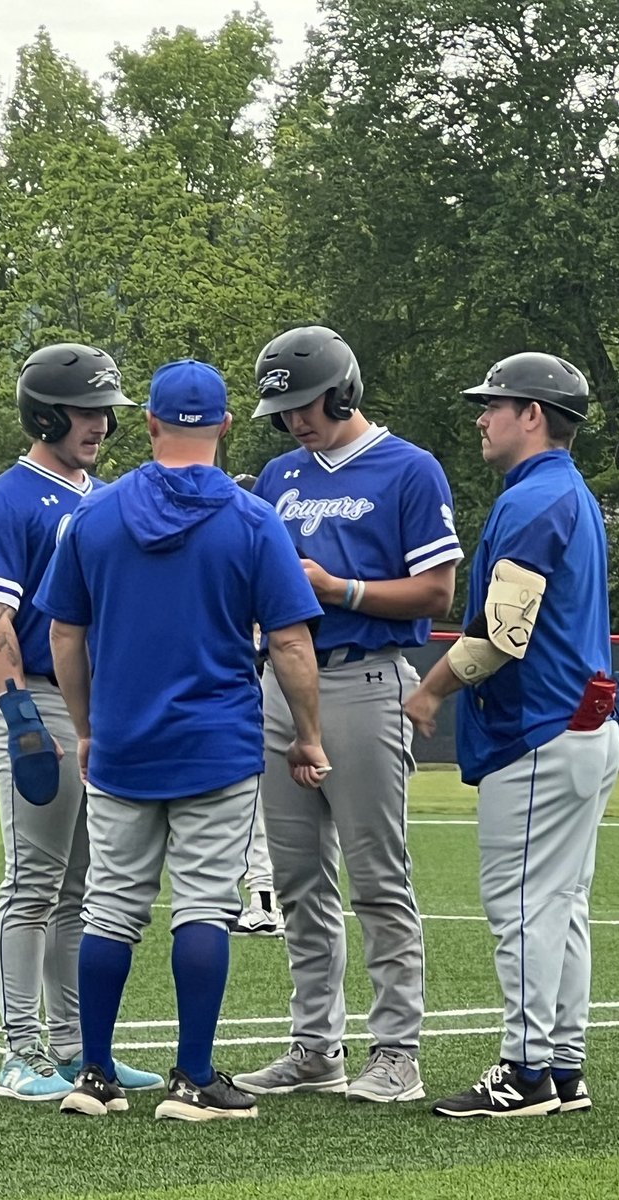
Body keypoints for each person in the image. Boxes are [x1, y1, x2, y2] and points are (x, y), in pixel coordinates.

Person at [32, 358, 329, 1121]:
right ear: (227, 427)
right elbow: (292, 645)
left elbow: (65, 634)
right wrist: (308, 737)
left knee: (110, 910)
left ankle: (92, 1077)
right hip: (217, 742)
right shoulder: (252, 517)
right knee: (202, 906)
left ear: (152, 425)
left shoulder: (94, 516)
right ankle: (193, 1080)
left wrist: (90, 727)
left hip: (125, 744)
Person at [232, 325, 463, 1103]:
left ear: (343, 390)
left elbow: (438, 593)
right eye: (284, 409)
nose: (296, 419)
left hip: (366, 678)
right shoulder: (277, 475)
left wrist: (340, 590)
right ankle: (314, 1047)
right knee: (297, 878)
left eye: (306, 403)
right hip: (280, 684)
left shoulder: (409, 466)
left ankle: (397, 1052)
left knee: (376, 878)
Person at [404, 351, 619, 1119]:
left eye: (494, 405)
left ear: (533, 414)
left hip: (539, 729)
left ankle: (526, 1071)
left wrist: (429, 691)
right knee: (562, 902)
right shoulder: (569, 493)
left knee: (525, 905)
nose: (481, 417)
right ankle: (563, 1066)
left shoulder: (534, 501)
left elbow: (501, 635)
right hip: (582, 727)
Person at [0, 343, 162, 1101]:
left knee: (82, 884)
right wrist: (18, 714)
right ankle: (20, 1053)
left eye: (106, 411)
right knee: (32, 882)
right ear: (45, 413)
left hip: (96, 705)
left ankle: (76, 1048)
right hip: (36, 697)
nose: (102, 423)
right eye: (87, 410)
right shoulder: (6, 499)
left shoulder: (102, 495)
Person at [230, 473, 285, 940]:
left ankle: (265, 901)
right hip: (260, 682)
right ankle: (251, 897)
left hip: (258, 686)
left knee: (257, 804)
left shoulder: (255, 550)